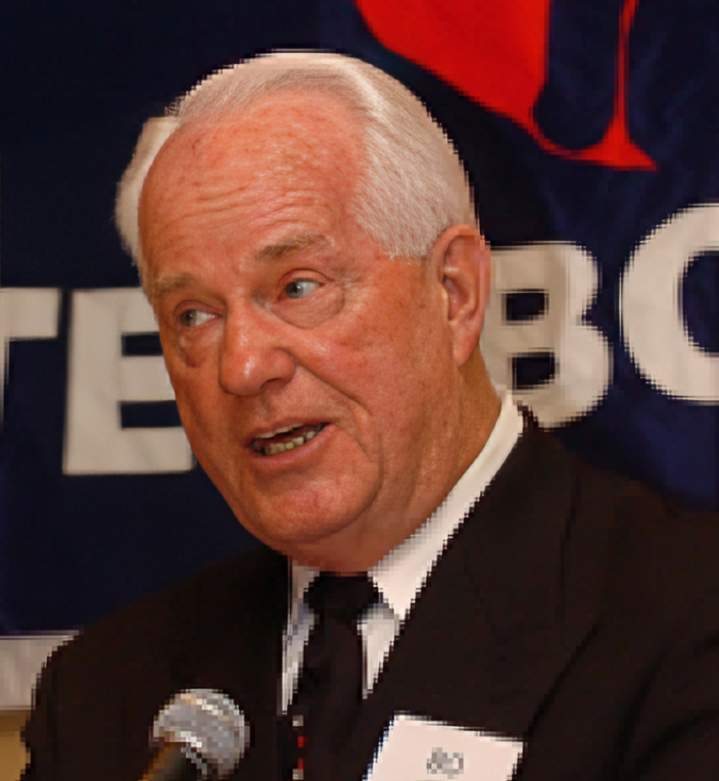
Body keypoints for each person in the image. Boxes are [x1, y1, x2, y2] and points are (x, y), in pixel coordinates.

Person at [21, 52, 719, 781]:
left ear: (453, 292)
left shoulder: (686, 620)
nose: (242, 366)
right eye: (192, 315)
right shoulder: (103, 697)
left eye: (295, 286)